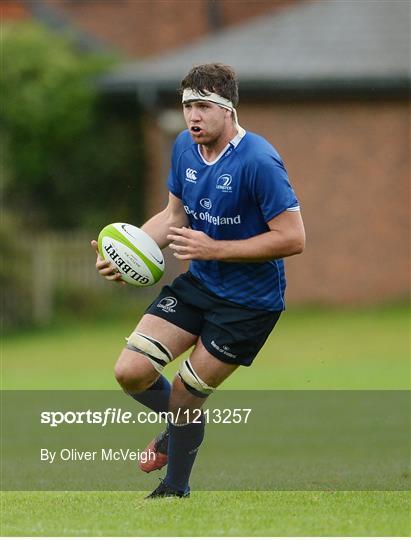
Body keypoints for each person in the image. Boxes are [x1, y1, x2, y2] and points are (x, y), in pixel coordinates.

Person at [91, 63, 305, 499]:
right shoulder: (184, 149)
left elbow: (293, 238)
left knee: (187, 396)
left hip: (250, 303)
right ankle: (176, 427)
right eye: (188, 105)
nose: (193, 116)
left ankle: (175, 488)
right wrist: (129, 253)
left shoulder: (259, 161)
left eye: (204, 106)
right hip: (201, 283)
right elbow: (174, 217)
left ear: (229, 111)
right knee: (130, 371)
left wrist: (216, 248)